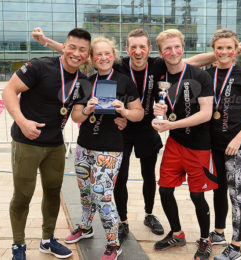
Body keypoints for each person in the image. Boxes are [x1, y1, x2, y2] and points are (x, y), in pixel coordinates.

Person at [31, 27, 237, 240]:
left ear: (149, 49)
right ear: (127, 50)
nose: (138, 52)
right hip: (123, 127)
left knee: (150, 176)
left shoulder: (157, 64)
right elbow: (81, 55)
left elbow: (191, 60)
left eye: (142, 47)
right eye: (133, 48)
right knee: (120, 178)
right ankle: (123, 220)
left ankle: (149, 214)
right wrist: (47, 41)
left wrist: (222, 53)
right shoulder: (118, 64)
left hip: (148, 128)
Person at [2, 28, 92, 260]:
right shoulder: (39, 66)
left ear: (87, 54)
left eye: (83, 50)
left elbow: (75, 116)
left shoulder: (83, 80)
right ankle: (18, 244)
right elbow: (9, 91)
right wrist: (22, 122)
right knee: (23, 194)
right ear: (64, 46)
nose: (76, 53)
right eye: (72, 47)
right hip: (27, 141)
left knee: (53, 193)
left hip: (55, 144)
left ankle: (47, 239)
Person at [64, 37, 144, 260]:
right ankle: (86, 227)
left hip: (110, 149)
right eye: (98, 54)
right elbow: (75, 116)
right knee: (86, 193)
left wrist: (124, 112)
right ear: (91, 58)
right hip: (84, 148)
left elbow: (138, 113)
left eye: (107, 53)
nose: (103, 58)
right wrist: (88, 110)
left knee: (103, 196)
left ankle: (113, 243)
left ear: (114, 55)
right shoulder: (85, 82)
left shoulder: (124, 81)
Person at [151, 29, 216, 260]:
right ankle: (177, 234)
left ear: (183, 47)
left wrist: (172, 126)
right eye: (167, 48)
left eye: (177, 47)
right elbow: (165, 108)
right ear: (160, 52)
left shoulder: (200, 76)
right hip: (175, 143)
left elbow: (206, 114)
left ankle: (206, 240)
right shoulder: (160, 77)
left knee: (198, 196)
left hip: (198, 145)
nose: (173, 52)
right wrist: (159, 114)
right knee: (165, 189)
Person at [206, 29, 241, 260]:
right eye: (220, 47)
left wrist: (238, 138)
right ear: (214, 50)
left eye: (229, 47)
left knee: (236, 196)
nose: (225, 52)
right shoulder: (207, 74)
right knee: (218, 190)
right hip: (214, 144)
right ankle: (219, 232)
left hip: (238, 146)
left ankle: (236, 246)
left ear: (236, 49)